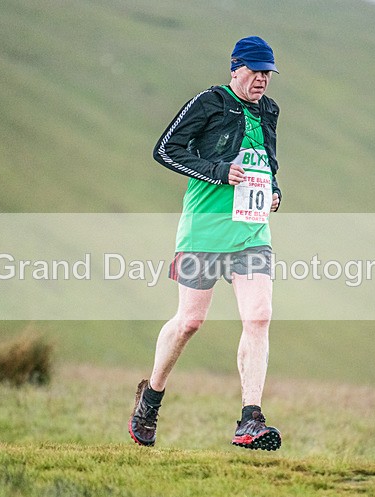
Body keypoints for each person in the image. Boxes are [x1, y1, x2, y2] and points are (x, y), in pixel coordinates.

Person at [128, 36, 283, 451]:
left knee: (259, 317)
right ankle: (150, 400)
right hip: (203, 232)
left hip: (251, 233)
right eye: (255, 71)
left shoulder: (269, 111)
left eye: (268, 73)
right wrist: (218, 171)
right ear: (236, 69)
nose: (262, 80)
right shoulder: (210, 102)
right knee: (189, 322)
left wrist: (274, 191)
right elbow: (166, 150)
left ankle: (250, 419)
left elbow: (267, 162)